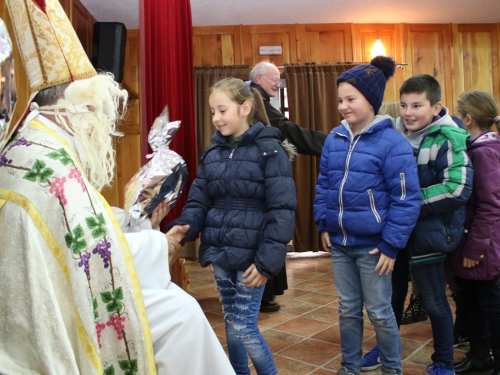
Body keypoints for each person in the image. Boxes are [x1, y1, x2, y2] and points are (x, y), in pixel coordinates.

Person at [0, 1, 235, 374]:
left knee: (180, 310)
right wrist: (162, 244)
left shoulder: (42, 147)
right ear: (69, 109)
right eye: (96, 112)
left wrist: (132, 218)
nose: (101, 128)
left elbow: (81, 226)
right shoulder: (49, 164)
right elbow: (87, 251)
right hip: (53, 316)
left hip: (60, 293)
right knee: (180, 316)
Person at [167, 77, 296, 375]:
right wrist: (183, 226)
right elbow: (199, 201)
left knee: (244, 326)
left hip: (252, 256)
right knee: (231, 320)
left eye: (222, 110)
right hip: (221, 252)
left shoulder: (270, 151)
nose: (216, 118)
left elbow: (282, 210)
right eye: (213, 111)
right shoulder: (212, 154)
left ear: (245, 108)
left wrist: (266, 263)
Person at [313, 56, 422, 375]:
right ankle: (349, 368)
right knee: (348, 310)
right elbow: (323, 184)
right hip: (340, 244)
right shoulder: (334, 138)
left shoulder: (393, 143)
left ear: (371, 101)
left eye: (351, 98)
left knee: (379, 311)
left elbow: (406, 199)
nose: (344, 106)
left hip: (375, 248)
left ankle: (392, 368)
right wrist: (324, 222)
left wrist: (391, 245)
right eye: (340, 100)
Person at [362, 74, 473, 375]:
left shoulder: (449, 138)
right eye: (403, 105)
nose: (408, 112)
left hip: (428, 234)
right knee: (391, 299)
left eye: (417, 105)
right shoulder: (392, 135)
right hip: (394, 235)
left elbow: (456, 188)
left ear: (436, 107)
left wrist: (407, 204)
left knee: (435, 302)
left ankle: (444, 362)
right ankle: (386, 350)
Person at [249, 61, 326, 312]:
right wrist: (330, 143)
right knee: (265, 233)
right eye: (275, 79)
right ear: (259, 79)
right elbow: (287, 130)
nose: (278, 85)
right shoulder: (254, 98)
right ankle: (259, 296)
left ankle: (263, 295)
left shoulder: (256, 97)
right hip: (258, 178)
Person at [447, 90, 500, 375]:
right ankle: (480, 357)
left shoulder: (484, 152)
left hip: (482, 247)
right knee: (475, 302)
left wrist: (474, 250)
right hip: (476, 243)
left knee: (490, 304)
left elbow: (491, 205)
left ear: (467, 119)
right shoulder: (480, 148)